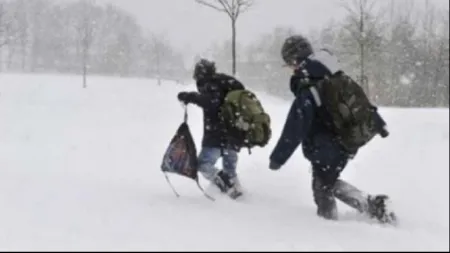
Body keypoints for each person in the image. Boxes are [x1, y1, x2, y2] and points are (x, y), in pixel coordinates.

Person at [268, 35, 396, 223]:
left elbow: (295, 127)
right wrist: (378, 123)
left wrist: (278, 158)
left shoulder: (309, 86)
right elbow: (361, 102)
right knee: (326, 182)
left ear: (295, 60)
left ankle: (333, 225)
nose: (290, 69)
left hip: (328, 146)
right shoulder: (335, 75)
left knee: (322, 187)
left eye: (289, 64)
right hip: (345, 139)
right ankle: (369, 207)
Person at [177, 58, 245, 198]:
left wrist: (190, 96)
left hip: (216, 135)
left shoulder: (211, 84)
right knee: (230, 169)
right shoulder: (225, 83)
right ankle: (239, 195)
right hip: (234, 135)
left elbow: (211, 103)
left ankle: (229, 188)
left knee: (203, 165)